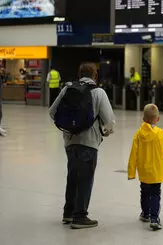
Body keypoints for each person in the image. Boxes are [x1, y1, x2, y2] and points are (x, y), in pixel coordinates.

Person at [49, 63, 116, 229]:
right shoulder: (99, 92)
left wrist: (70, 125)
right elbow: (109, 120)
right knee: (85, 178)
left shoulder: (67, 89)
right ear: (95, 75)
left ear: (79, 74)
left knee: (72, 176)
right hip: (89, 142)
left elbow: (52, 112)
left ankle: (68, 213)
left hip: (69, 140)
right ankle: (80, 216)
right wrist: (106, 132)